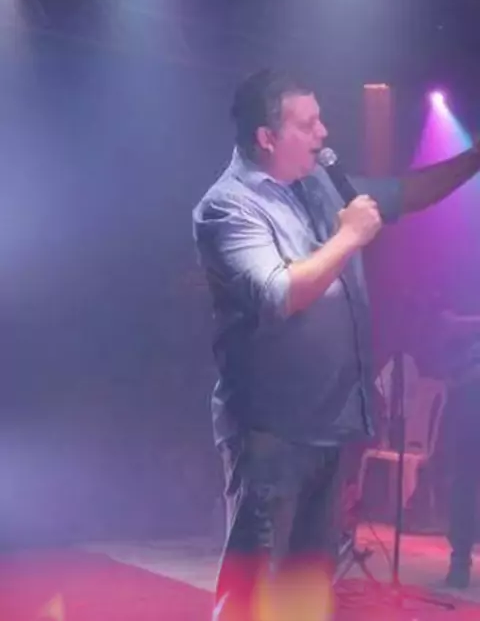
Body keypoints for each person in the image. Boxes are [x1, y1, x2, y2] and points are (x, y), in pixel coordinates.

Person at [192, 68, 480, 620]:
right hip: (272, 432)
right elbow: (280, 293)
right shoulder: (228, 207)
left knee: (307, 591)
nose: (324, 133)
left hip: (331, 425)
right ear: (267, 137)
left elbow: (403, 194)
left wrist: (472, 159)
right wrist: (349, 236)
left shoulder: (319, 183)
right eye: (308, 124)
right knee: (255, 591)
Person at [441, 310, 480, 588]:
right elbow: (452, 378)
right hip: (469, 417)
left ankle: (460, 561)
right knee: (464, 487)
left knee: (464, 486)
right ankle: (459, 560)